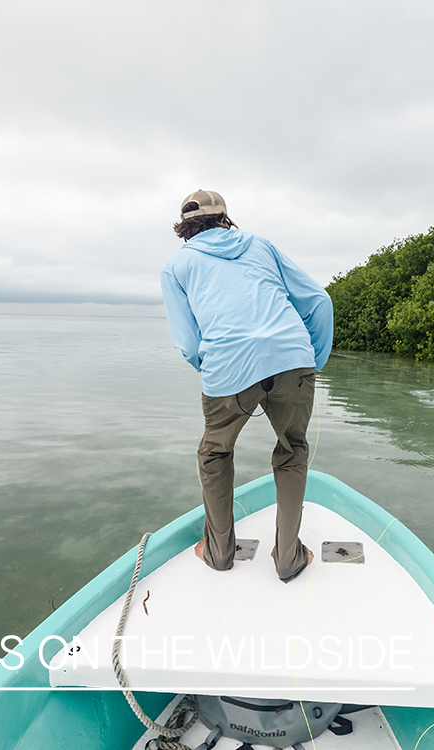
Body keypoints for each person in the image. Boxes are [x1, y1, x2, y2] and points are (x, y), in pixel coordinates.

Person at [161, 190, 334, 582]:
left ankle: (219, 553)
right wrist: (313, 361)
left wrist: (218, 370)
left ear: (184, 228)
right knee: (293, 452)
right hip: (293, 361)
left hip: (227, 370)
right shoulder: (261, 245)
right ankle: (289, 559)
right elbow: (320, 301)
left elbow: (188, 343)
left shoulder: (175, 266)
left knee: (215, 454)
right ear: (225, 218)